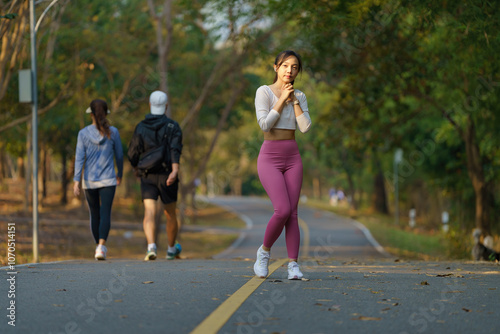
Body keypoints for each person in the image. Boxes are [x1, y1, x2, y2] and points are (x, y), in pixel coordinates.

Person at [253, 50, 312, 279]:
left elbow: (305, 127)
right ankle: (264, 252)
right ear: (276, 67)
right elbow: (265, 125)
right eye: (285, 65)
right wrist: (280, 100)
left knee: (293, 214)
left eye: (295, 67)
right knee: (283, 210)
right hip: (270, 157)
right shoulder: (264, 92)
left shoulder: (300, 96)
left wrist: (294, 100)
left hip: (292, 156)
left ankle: (293, 265)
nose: (290, 70)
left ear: (298, 71)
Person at [127, 90, 183, 261]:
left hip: (148, 175)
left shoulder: (141, 127)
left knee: (149, 212)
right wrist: (174, 170)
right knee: (170, 213)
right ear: (166, 106)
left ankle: (151, 247)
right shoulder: (173, 126)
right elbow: (175, 149)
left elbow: (132, 153)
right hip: (167, 175)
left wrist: (137, 167)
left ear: (150, 105)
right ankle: (171, 249)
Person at [73, 99, 124, 260]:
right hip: (108, 180)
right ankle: (101, 245)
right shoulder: (113, 132)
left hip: (90, 181)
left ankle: (98, 247)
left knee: (94, 214)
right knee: (105, 212)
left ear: (91, 115)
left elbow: (79, 158)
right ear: (106, 114)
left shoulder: (83, 134)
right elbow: (120, 156)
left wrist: (76, 181)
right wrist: (120, 173)